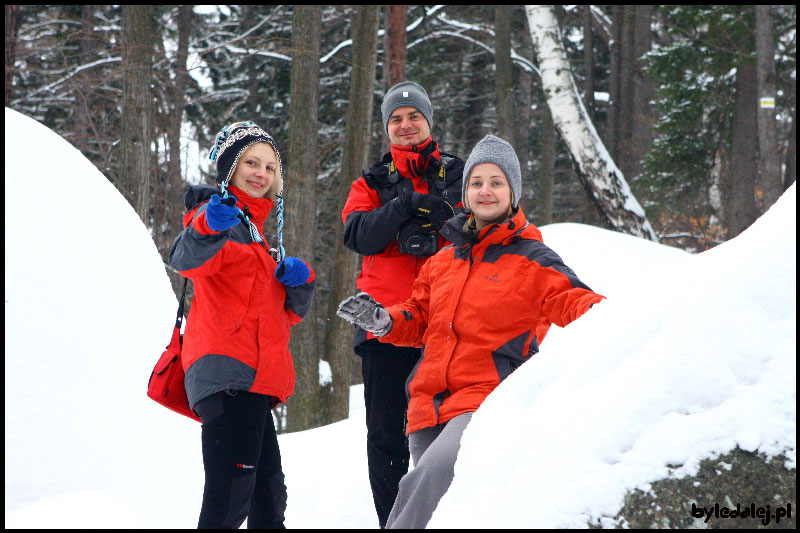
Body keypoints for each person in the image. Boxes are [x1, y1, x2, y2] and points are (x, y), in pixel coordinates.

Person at [337, 134, 606, 529]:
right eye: (477, 182)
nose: (485, 191)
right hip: (428, 409)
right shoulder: (444, 260)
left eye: (497, 182)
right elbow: (419, 316)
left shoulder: (533, 260)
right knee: (447, 517)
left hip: (486, 405)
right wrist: (385, 321)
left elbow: (580, 305)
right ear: (466, 193)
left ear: (513, 192)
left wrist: (628, 320)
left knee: (422, 486)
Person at [169, 121, 315, 529]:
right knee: (230, 496)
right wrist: (207, 224)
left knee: (269, 499)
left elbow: (285, 315)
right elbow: (184, 258)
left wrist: (301, 284)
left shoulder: (257, 236)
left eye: (270, 167)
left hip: (254, 379)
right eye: (252, 162)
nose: (261, 173)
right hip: (227, 373)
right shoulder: (217, 216)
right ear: (231, 168)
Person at [340, 81, 466, 527]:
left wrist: (443, 215)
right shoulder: (372, 181)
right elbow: (357, 234)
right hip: (383, 324)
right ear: (386, 129)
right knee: (387, 435)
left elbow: (489, 219)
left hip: (452, 323)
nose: (406, 124)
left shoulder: (461, 173)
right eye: (396, 119)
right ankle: (391, 522)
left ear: (429, 122)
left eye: (414, 116)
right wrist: (404, 207)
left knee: (451, 429)